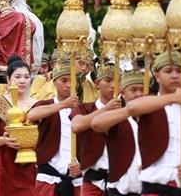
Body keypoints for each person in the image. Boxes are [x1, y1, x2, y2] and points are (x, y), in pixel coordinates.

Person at [126, 50, 181, 196]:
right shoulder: (149, 105)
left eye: (179, 71)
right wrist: (173, 98)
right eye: (168, 71)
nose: (175, 75)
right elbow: (132, 107)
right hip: (154, 184)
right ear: (157, 76)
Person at [27, 58, 81, 196]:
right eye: (64, 80)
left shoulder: (84, 109)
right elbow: (32, 115)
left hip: (76, 177)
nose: (69, 85)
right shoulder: (46, 105)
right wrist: (63, 105)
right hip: (49, 176)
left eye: (72, 81)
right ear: (54, 82)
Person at [0, 56, 37, 196]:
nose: (22, 81)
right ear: (8, 80)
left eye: (26, 77)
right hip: (5, 164)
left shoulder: (37, 104)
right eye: (17, 77)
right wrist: (4, 140)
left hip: (31, 162)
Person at [90, 70, 147, 196]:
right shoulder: (116, 119)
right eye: (133, 89)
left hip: (148, 189)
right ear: (122, 93)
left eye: (142, 89)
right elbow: (96, 124)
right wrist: (130, 110)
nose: (138, 94)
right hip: (119, 189)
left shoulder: (155, 118)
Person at [71, 64, 120, 196]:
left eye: (118, 81)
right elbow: (76, 125)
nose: (114, 85)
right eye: (108, 80)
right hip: (93, 181)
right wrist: (106, 109)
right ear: (97, 84)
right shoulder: (85, 108)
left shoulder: (126, 111)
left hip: (121, 182)